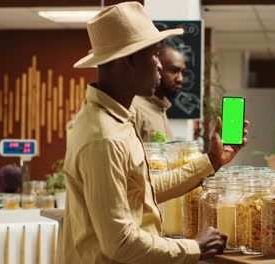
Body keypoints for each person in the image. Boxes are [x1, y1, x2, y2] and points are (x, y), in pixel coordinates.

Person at [63, 2, 249, 263]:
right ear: (128, 60)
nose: (159, 65)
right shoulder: (104, 136)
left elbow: (143, 190)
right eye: (154, 55)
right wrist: (193, 247)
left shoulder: (116, 119)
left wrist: (211, 161)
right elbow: (120, 243)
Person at [132, 44, 186, 141]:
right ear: (157, 67)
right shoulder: (134, 108)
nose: (180, 79)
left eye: (182, 72)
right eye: (174, 71)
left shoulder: (161, 107)